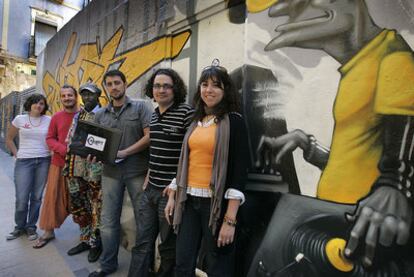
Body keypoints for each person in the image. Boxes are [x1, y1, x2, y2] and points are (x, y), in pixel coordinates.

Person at [248, 0, 414, 270]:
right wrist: (307, 144)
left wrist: (394, 185)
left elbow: (402, 147)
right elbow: (355, 160)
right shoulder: (359, 66)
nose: (289, 12)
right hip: (335, 212)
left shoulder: (394, 59)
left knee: (285, 221)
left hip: (354, 223)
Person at [164, 61, 249, 277]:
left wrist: (230, 220)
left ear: (225, 90)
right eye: (204, 84)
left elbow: (239, 172)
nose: (208, 90)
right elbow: (187, 161)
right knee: (183, 262)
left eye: (215, 85)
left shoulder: (234, 122)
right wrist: (173, 195)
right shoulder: (196, 121)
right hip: (189, 200)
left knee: (218, 263)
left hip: (215, 204)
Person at [128, 68, 194, 277]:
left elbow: (193, 154)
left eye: (166, 85)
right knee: (142, 243)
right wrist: (148, 175)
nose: (161, 90)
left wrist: (176, 187)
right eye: (157, 86)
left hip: (170, 193)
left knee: (167, 247)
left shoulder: (186, 113)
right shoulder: (154, 115)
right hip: (149, 190)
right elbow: (155, 150)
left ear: (175, 89)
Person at [89, 69, 152, 277]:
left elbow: (149, 136)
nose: (113, 87)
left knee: (143, 220)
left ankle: (144, 267)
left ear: (125, 84)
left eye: (117, 82)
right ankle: (108, 265)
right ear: (105, 88)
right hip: (110, 173)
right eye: (109, 84)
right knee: (108, 222)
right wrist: (93, 155)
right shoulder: (99, 115)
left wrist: (125, 151)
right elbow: (97, 144)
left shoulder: (141, 107)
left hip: (137, 172)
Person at [34, 85, 79, 248]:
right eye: (64, 96)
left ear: (76, 96)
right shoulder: (56, 117)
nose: (67, 98)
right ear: (60, 99)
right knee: (52, 198)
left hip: (81, 167)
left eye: (70, 95)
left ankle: (86, 235)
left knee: (81, 200)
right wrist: (63, 149)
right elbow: (50, 138)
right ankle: (48, 231)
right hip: (59, 164)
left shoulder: (84, 116)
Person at [63, 83, 103, 262]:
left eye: (90, 95)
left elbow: (104, 143)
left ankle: (95, 244)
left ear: (98, 96)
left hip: (94, 168)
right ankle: (84, 239)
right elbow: (70, 138)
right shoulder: (79, 114)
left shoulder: (103, 114)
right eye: (84, 95)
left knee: (96, 206)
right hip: (75, 166)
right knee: (79, 205)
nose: (87, 98)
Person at [5, 94, 51, 241]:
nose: (39, 106)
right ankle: (19, 227)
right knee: (22, 198)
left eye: (42, 104)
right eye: (36, 103)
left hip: (43, 161)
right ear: (30, 104)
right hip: (24, 162)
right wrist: (17, 154)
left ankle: (31, 227)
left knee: (37, 197)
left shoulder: (48, 120)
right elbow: (9, 139)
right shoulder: (20, 119)